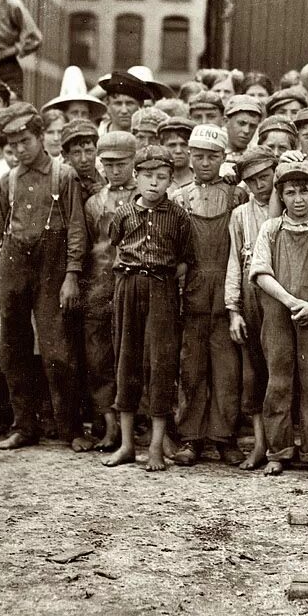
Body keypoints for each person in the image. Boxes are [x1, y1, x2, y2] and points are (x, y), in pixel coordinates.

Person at [0, 103, 86, 450]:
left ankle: (69, 429)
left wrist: (71, 275)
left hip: (52, 266)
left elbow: (75, 229)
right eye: (13, 145)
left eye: (25, 141)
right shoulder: (7, 181)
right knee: (12, 348)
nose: (20, 149)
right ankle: (24, 426)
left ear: (41, 137)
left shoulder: (64, 175)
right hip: (14, 264)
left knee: (57, 350)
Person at [102, 145, 194, 472]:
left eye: (161, 177)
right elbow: (115, 244)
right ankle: (128, 445)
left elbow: (185, 259)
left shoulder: (179, 216)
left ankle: (156, 446)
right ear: (136, 177)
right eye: (147, 176)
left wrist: (163, 278)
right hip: (128, 287)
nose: (153, 183)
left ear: (171, 180)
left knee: (161, 363)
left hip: (162, 289)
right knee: (126, 359)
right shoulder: (124, 213)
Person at [251, 159, 308, 480]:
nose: (298, 199)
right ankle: (278, 451)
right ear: (282, 195)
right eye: (290, 192)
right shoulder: (270, 230)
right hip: (278, 313)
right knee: (278, 382)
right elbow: (260, 272)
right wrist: (291, 301)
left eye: (304, 191)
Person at [169, 123, 247, 466]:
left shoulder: (237, 196)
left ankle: (224, 437)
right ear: (189, 156)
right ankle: (191, 438)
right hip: (194, 289)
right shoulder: (178, 197)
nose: (204, 163)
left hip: (228, 287)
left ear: (224, 157)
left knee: (227, 370)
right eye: (198, 156)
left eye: (212, 156)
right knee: (191, 368)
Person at [77, 129, 137, 453]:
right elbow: (88, 245)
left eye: (122, 163)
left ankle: (134, 422)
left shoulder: (142, 199)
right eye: (108, 164)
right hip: (100, 284)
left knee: (130, 351)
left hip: (131, 282)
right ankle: (110, 424)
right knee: (98, 353)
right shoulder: (94, 203)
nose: (114, 170)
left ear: (133, 162)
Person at [226, 147, 278, 471]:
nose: (261, 185)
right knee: (254, 371)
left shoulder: (287, 205)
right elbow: (234, 261)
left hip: (281, 291)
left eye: (265, 177)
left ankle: (282, 443)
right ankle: (260, 443)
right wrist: (233, 309)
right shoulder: (240, 215)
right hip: (251, 293)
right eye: (253, 181)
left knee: (281, 369)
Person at [158, 116, 196, 189]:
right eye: (172, 145)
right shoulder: (155, 182)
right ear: (162, 147)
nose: (178, 151)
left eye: (184, 145)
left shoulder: (200, 180)